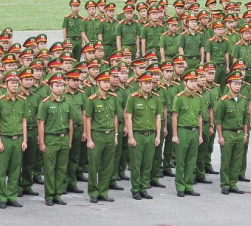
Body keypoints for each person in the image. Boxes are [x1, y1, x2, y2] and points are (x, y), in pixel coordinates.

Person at [125, 72, 163, 200]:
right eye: (145, 83)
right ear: (140, 84)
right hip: (138, 134)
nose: (148, 86)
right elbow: (128, 117)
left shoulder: (156, 98)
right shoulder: (133, 98)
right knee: (136, 164)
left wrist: (158, 136)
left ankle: (143, 188)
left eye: (150, 83)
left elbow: (158, 118)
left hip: (151, 135)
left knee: (148, 164)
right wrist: (130, 136)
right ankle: (135, 189)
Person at [37, 73, 73, 206]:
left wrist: (69, 141)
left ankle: (58, 194)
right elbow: (41, 123)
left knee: (61, 168)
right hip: (51, 138)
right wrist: (41, 141)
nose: (60, 88)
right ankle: (49, 195)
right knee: (50, 169)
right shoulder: (45, 104)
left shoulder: (67, 103)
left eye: (62, 85)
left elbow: (70, 123)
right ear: (51, 87)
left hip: (63, 138)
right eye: (57, 85)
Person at [0, 71, 26, 209]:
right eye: (12, 83)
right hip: (5, 139)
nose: (15, 86)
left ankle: (12, 196)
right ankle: (1, 198)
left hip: (17, 139)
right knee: (1, 171)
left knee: (15, 169)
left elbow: (23, 120)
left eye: (16, 83)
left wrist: (24, 140)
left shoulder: (22, 101)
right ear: (6, 84)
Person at [86, 72, 119, 202]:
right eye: (104, 82)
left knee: (107, 165)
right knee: (94, 165)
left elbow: (115, 117)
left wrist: (116, 135)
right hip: (97, 134)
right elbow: (88, 119)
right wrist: (89, 139)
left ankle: (103, 191)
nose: (107, 84)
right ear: (98, 83)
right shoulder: (92, 100)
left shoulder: (113, 98)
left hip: (109, 134)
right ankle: (93, 192)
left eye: (107, 82)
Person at [215, 72, 250, 194]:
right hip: (228, 133)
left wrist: (245, 134)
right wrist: (220, 136)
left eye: (239, 84)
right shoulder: (223, 101)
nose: (237, 86)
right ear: (229, 85)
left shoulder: (243, 100)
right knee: (226, 161)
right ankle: (225, 184)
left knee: (237, 160)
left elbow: (246, 118)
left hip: (239, 133)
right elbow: (218, 120)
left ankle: (233, 183)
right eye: (235, 84)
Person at [171, 71, 203, 197]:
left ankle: (189, 186)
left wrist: (200, 135)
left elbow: (200, 117)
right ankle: (180, 186)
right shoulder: (179, 97)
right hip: (182, 130)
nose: (194, 83)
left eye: (195, 81)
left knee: (191, 160)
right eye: (191, 81)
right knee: (180, 160)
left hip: (194, 131)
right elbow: (174, 117)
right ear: (185, 82)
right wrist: (174, 134)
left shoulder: (199, 98)